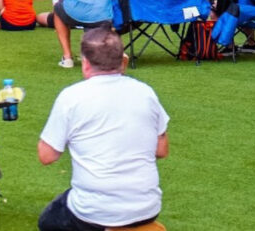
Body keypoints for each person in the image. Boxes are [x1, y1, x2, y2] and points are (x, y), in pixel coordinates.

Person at [38, 25, 169, 231]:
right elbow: (161, 150)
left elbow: (47, 156)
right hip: (146, 206)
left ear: (86, 63)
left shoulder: (72, 97)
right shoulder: (145, 93)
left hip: (95, 210)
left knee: (49, 221)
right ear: (122, 60)